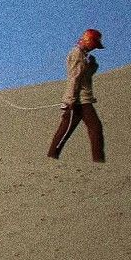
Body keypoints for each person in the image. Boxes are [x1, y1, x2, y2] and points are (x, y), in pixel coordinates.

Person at [48, 28, 106, 163]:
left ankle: (98, 160)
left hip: (82, 99)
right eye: (94, 45)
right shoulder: (77, 54)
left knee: (91, 128)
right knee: (70, 129)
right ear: (89, 41)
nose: (94, 48)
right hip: (79, 100)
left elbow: (85, 76)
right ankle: (51, 158)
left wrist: (92, 65)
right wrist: (70, 100)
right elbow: (74, 77)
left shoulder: (82, 54)